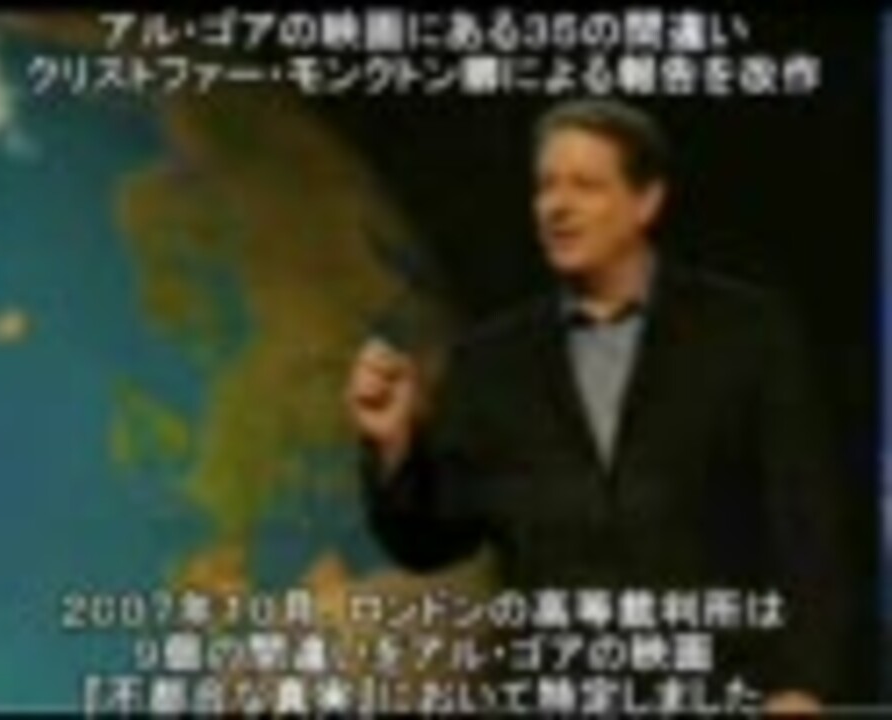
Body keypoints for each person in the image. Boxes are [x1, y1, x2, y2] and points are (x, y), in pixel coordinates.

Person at [345, 99, 848, 714]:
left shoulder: (745, 335)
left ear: (646, 201)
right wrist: (394, 442)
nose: (557, 206)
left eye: (584, 186)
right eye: (546, 186)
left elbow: (806, 528)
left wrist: (801, 685)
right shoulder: (492, 362)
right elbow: (430, 541)